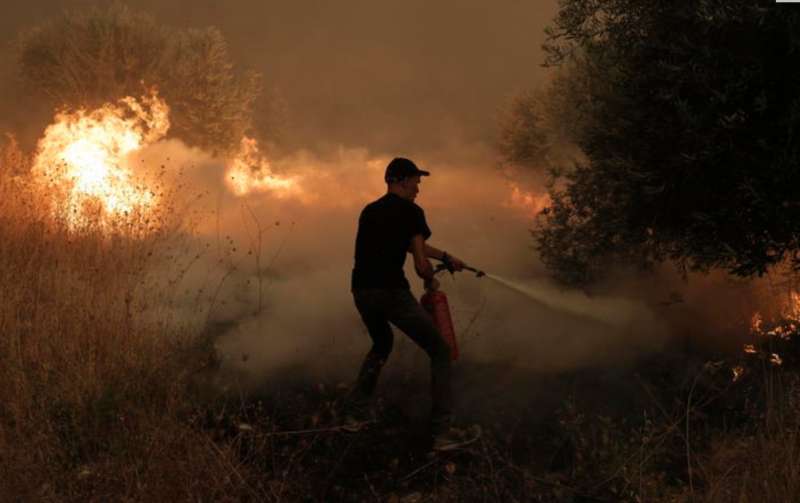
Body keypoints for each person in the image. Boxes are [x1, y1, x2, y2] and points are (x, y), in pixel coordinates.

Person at [347, 157, 478, 451]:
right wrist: (430, 280)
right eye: (416, 181)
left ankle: (355, 415)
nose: (418, 187)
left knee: (381, 344)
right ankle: (442, 433)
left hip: (362, 291)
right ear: (402, 180)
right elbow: (419, 263)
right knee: (440, 351)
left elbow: (407, 244)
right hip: (391, 292)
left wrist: (445, 257)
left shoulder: (370, 211)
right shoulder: (412, 212)